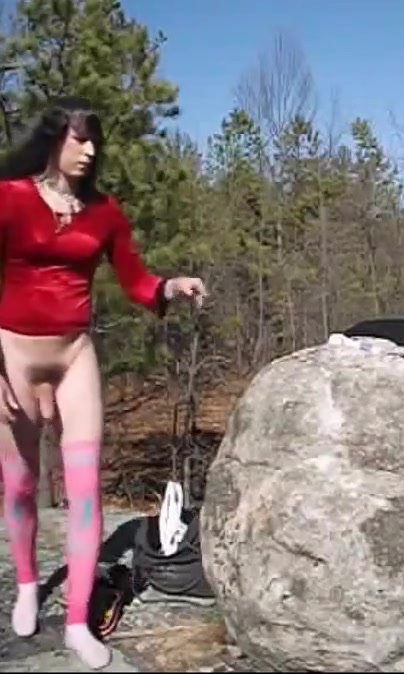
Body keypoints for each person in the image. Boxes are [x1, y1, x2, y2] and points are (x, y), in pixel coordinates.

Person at [0, 96, 207, 669]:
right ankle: (26, 585)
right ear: (53, 139)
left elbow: (135, 279)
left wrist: (169, 287)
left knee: (86, 489)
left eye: (96, 140)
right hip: (12, 356)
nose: (90, 150)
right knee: (19, 486)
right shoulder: (9, 198)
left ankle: (77, 622)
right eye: (79, 138)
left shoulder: (104, 212)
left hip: (74, 356)